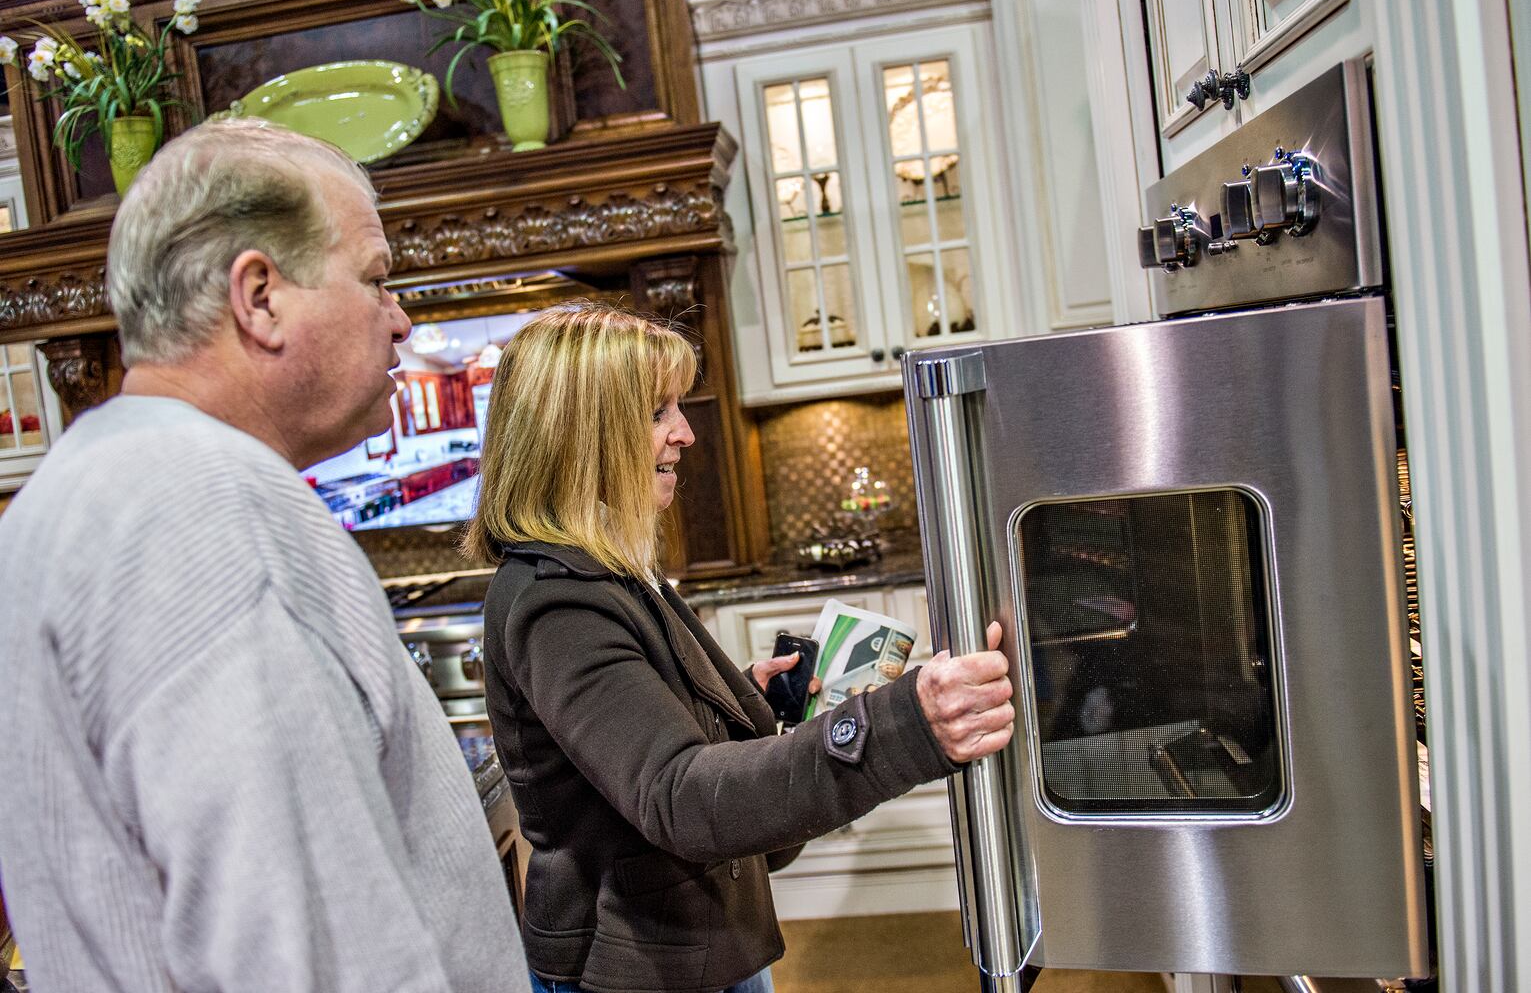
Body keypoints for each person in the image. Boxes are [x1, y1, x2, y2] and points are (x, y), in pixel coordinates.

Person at [0, 120, 529, 993]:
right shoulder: (210, 509)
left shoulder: (65, 499)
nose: (401, 319)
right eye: (375, 280)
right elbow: (309, 956)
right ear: (260, 297)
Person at [464, 302, 1015, 993]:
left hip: (691, 946)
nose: (685, 432)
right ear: (582, 434)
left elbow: (631, 743)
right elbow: (680, 796)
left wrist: (741, 700)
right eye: (657, 412)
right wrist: (906, 722)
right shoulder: (559, 602)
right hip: (635, 971)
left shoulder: (605, 567)